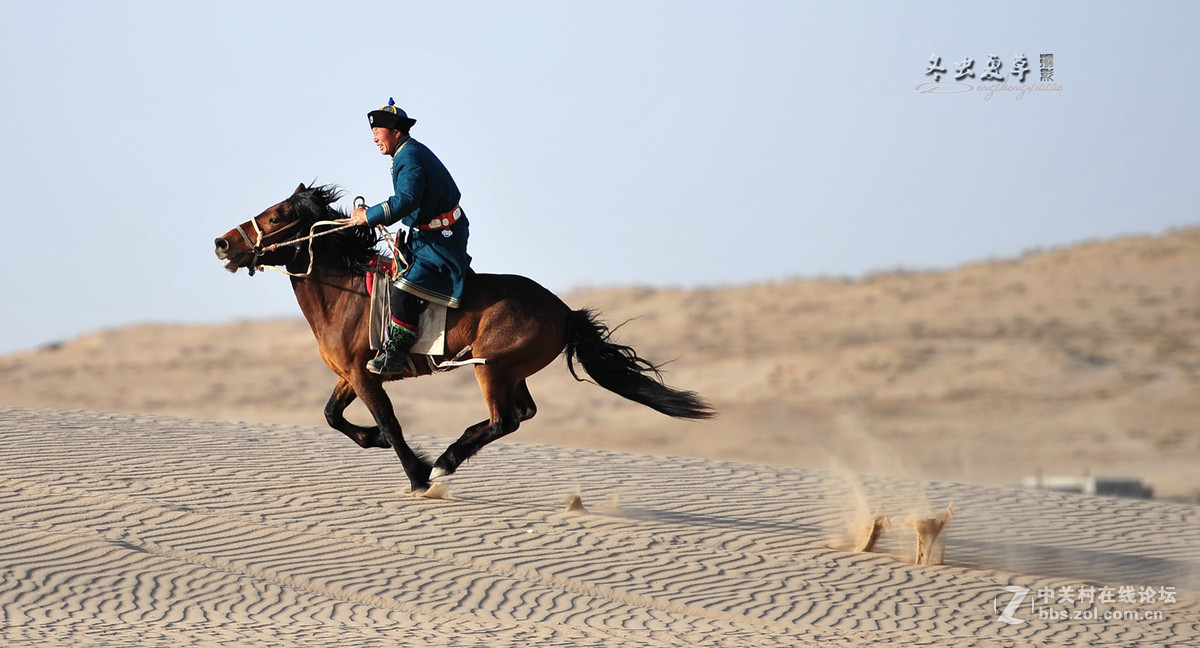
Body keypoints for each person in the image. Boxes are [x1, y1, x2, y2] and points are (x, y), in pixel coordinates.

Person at [346, 98, 472, 375]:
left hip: (441, 238)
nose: (374, 139)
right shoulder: (405, 153)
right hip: (427, 234)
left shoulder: (409, 156)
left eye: (377, 132)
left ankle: (395, 356)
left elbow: (405, 201)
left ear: (396, 132)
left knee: (402, 288)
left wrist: (368, 217)